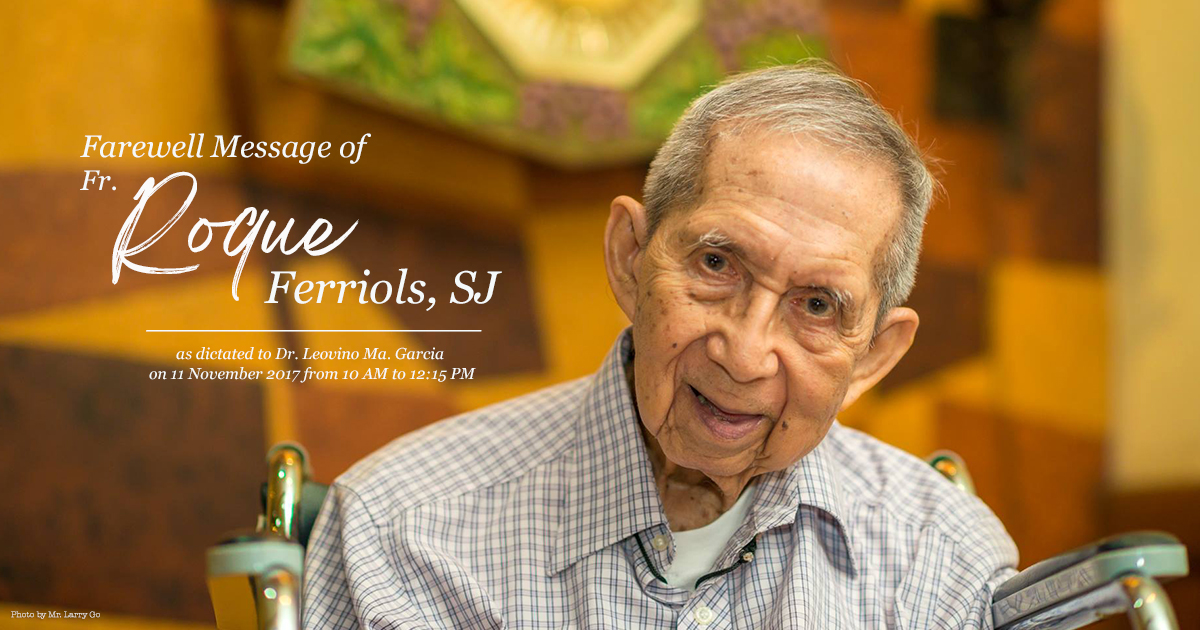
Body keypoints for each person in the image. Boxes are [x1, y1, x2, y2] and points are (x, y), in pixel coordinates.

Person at [303, 61, 1017, 629]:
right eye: (717, 263)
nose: (744, 354)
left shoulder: (943, 567)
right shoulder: (403, 532)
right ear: (630, 257)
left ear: (873, 356)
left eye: (817, 305)